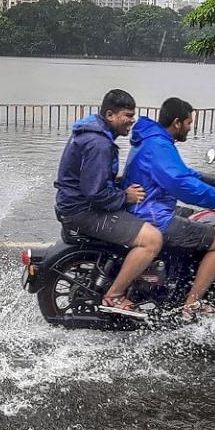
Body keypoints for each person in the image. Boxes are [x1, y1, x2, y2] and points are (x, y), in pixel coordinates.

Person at [125, 97, 215, 319]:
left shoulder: (154, 140)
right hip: (153, 214)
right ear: (177, 123)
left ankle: (183, 279)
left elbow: (180, 173)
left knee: (201, 219)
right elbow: (183, 187)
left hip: (152, 208)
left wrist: (208, 177)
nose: (190, 128)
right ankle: (192, 305)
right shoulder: (159, 145)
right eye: (189, 122)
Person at [54, 89, 163, 318]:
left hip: (74, 206)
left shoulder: (92, 132)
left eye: (134, 115)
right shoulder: (99, 144)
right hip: (84, 211)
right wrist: (126, 197)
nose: (132, 120)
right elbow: (95, 193)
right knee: (152, 240)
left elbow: (96, 181)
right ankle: (114, 295)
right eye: (127, 115)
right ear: (110, 114)